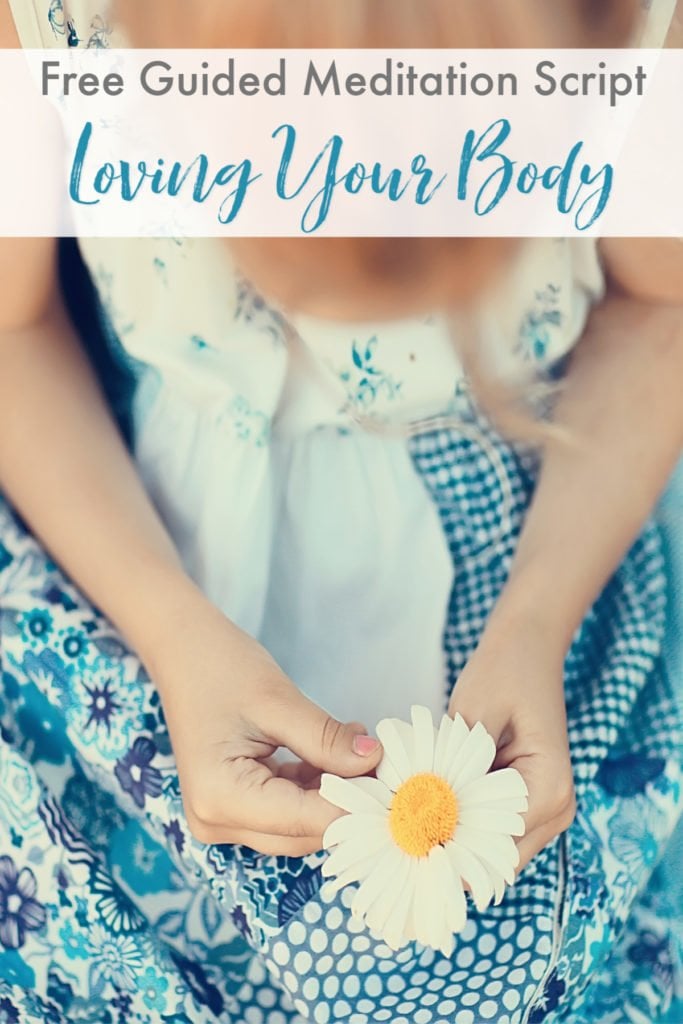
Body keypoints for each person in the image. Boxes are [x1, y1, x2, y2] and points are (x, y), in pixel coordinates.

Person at [0, 1, 681, 1022]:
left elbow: (660, 301)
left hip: (544, 530)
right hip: (129, 537)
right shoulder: (53, 23)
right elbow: (13, 327)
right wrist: (172, 632)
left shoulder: (619, 25)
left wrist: (538, 614)